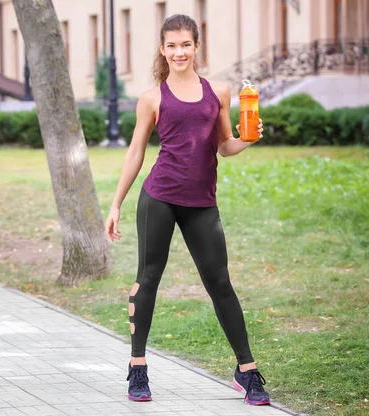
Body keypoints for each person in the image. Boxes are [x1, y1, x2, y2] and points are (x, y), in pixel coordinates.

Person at [105, 14, 270, 406]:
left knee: (221, 285)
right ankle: (137, 367)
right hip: (159, 197)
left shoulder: (220, 93)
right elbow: (135, 154)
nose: (179, 52)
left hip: (202, 203)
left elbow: (224, 145)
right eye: (172, 45)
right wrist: (115, 204)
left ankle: (246, 371)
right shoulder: (153, 98)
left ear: (197, 47)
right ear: (162, 50)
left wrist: (248, 140)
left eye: (186, 44)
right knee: (148, 278)